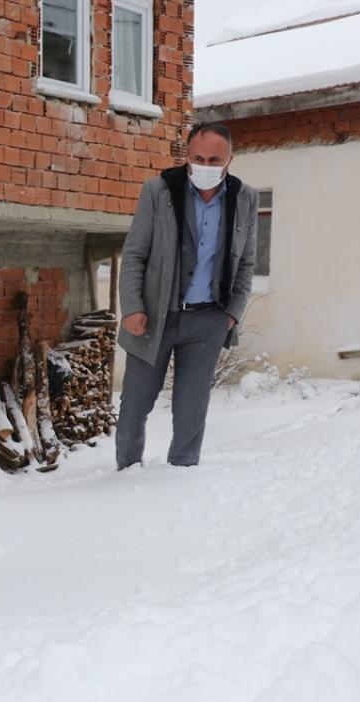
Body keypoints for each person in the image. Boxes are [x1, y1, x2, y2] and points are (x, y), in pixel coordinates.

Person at [115, 122, 258, 470]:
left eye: (214, 159)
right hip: (153, 316)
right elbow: (135, 254)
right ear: (186, 157)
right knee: (136, 404)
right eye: (198, 158)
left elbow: (247, 261)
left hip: (208, 319)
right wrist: (132, 307)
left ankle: (182, 474)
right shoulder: (158, 191)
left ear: (229, 159)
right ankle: (127, 472)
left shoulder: (245, 198)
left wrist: (231, 314)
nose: (205, 166)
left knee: (192, 407)